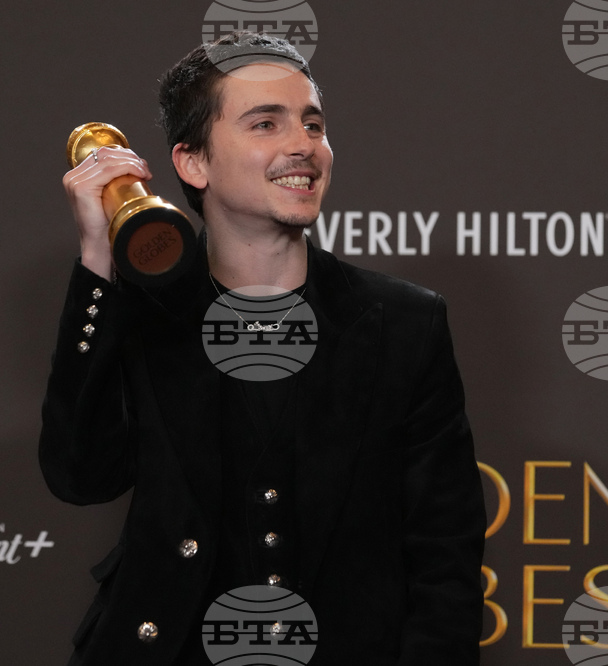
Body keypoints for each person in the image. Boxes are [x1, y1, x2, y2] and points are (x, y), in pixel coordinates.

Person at [40, 31, 486, 665]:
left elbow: (446, 560)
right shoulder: (142, 314)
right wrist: (97, 257)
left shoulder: (406, 324)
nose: (303, 144)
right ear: (193, 163)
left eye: (313, 123)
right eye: (265, 123)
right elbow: (79, 475)